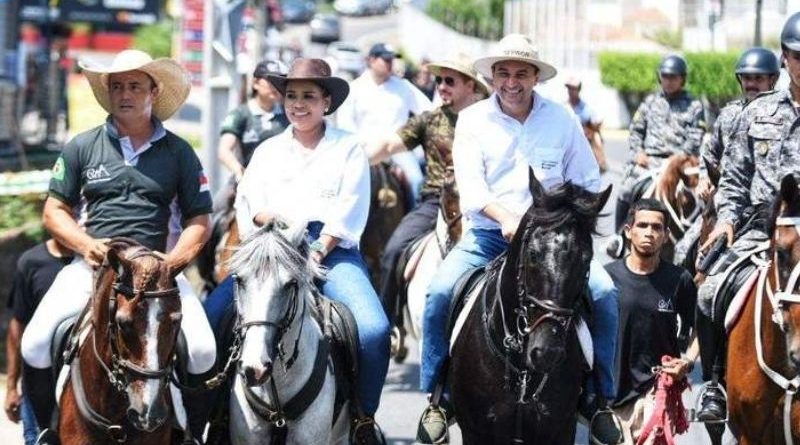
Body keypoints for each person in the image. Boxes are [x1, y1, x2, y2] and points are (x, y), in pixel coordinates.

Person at [414, 34, 620, 445]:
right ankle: (439, 396)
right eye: (503, 73)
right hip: (491, 235)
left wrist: (559, 218)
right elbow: (472, 190)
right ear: (491, 77)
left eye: (521, 73)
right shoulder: (473, 120)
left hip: (552, 246)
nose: (512, 82)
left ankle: (600, 399)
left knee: (605, 294)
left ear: (535, 77)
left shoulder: (561, 120)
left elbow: (587, 181)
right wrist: (508, 219)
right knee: (438, 293)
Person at [19, 49, 216, 444]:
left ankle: (194, 433)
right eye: (117, 86)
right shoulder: (81, 146)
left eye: (134, 85)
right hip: (91, 268)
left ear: (153, 91)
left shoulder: (179, 152)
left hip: (157, 273)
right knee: (35, 343)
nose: (124, 93)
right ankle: (41, 432)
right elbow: (54, 212)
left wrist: (174, 262)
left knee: (204, 350)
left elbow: (200, 220)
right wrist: (85, 244)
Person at [226, 58, 388, 445]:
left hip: (330, 253)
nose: (299, 104)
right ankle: (212, 416)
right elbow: (250, 202)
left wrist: (316, 250)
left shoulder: (348, 148)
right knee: (216, 317)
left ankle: (363, 417)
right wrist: (275, 228)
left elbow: (349, 209)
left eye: (309, 97)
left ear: (326, 102)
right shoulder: (267, 150)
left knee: (374, 331)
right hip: (271, 250)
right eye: (292, 96)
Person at [695, 14, 800, 422]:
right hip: (761, 228)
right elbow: (736, 177)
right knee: (709, 291)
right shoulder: (756, 113)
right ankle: (716, 385)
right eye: (796, 55)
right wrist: (725, 220)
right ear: (785, 57)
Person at [365, 53, 489, 327]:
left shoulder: (491, 120)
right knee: (393, 251)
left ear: (471, 86)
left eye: (449, 81)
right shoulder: (428, 120)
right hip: (435, 202)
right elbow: (388, 146)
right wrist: (358, 161)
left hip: (484, 205)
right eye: (439, 80)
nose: (441, 86)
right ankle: (389, 324)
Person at [673, 47, 780, 266]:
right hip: (729, 202)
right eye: (746, 78)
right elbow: (710, 153)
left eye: (758, 78)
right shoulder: (729, 115)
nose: (751, 84)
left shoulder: (783, 116)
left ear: (773, 80)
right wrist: (704, 177)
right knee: (683, 250)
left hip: (773, 210)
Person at [604, 199, 698, 444]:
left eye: (657, 228)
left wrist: (687, 362)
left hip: (657, 393)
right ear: (628, 231)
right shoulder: (605, 278)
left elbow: (700, 328)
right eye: (643, 225)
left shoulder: (680, 280)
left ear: (666, 235)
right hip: (610, 399)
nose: (649, 233)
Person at [607, 55, 706, 258]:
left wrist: (679, 159)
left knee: (698, 197)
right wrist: (638, 153)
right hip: (649, 161)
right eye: (665, 76)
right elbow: (636, 131)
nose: (669, 81)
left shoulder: (694, 106)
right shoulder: (650, 102)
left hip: (679, 163)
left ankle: (695, 241)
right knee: (626, 188)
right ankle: (618, 236)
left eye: (674, 77)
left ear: (682, 79)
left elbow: (696, 137)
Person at [337, 42, 434, 207]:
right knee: (340, 183)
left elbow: (428, 111)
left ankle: (417, 227)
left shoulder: (403, 86)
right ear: (371, 60)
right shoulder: (354, 88)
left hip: (398, 150)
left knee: (417, 180)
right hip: (363, 150)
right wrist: (359, 145)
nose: (390, 63)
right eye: (386, 59)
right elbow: (345, 123)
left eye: (392, 60)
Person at [6, 239, 73, 445]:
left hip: (82, 388)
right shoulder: (31, 261)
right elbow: (18, 326)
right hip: (37, 386)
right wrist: (11, 387)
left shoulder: (95, 264)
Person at [215, 59, 289, 211]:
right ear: (255, 83)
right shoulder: (240, 114)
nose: (276, 87)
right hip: (246, 180)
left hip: (284, 181)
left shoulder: (289, 115)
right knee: (214, 211)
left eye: (281, 82)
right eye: (271, 81)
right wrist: (238, 171)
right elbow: (224, 150)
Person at [565, 76, 608, 172]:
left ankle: (601, 161)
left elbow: (593, 122)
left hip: (583, 135)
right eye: (569, 88)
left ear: (578, 90)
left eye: (573, 89)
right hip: (567, 136)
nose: (571, 91)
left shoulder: (585, 108)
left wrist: (595, 126)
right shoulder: (563, 107)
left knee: (596, 136)